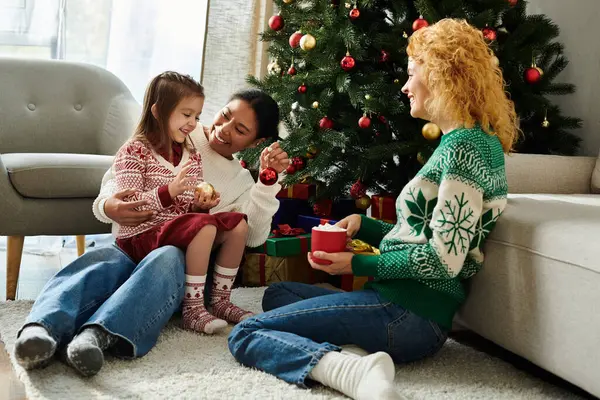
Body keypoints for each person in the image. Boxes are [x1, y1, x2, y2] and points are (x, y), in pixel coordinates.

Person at [228, 18, 519, 400]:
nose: (405, 86)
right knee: (278, 293)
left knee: (246, 333)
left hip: (408, 313)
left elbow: (443, 260)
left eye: (412, 74)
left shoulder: (464, 149)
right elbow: (422, 237)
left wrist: (358, 265)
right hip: (401, 307)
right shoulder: (467, 144)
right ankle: (357, 350)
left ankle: (351, 372)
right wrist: (362, 226)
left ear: (441, 76)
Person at [14, 86, 289, 377]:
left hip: (176, 265)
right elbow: (117, 175)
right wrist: (108, 206)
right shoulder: (182, 129)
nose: (223, 129)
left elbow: (254, 236)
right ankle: (40, 328)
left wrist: (267, 184)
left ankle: (97, 336)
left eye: (240, 130)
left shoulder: (240, 180)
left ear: (255, 142)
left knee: (166, 256)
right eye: (225, 115)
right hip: (133, 240)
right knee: (101, 262)